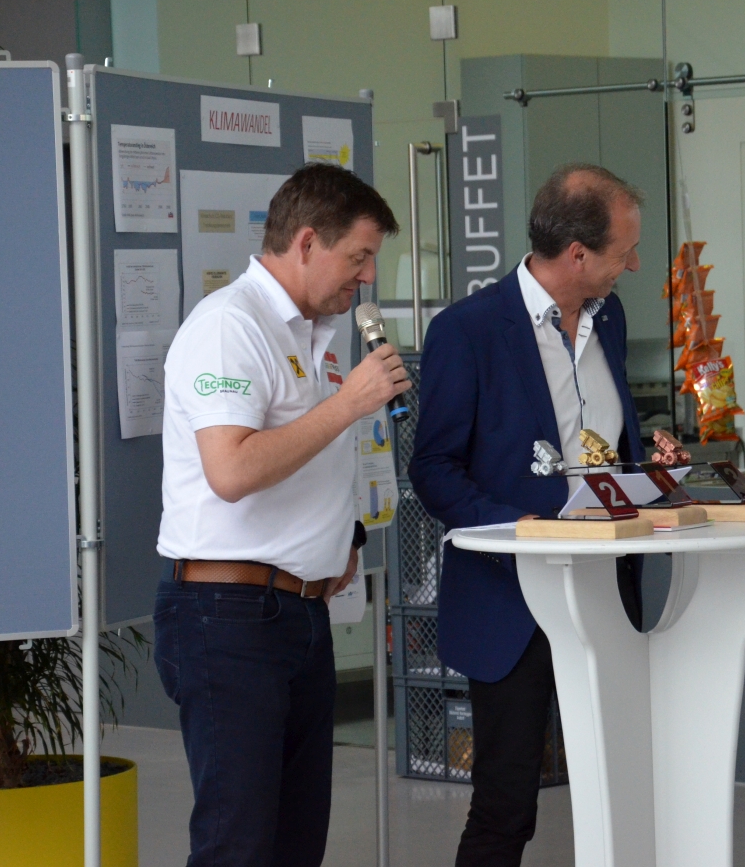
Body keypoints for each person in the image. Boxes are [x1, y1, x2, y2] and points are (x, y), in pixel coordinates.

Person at [153, 163, 410, 867]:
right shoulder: (230, 326)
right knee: (238, 844)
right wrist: (349, 404)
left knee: (297, 843)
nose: (366, 277)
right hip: (229, 618)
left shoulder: (314, 332)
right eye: (358, 257)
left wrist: (345, 533)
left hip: (298, 615)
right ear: (306, 243)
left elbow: (308, 457)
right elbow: (232, 470)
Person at [409, 162, 647, 867]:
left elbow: (607, 446)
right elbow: (433, 470)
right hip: (511, 601)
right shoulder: (467, 330)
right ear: (576, 254)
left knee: (621, 787)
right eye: (624, 251)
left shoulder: (610, 317)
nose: (633, 265)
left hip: (607, 592)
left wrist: (651, 474)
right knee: (506, 805)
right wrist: (524, 531)